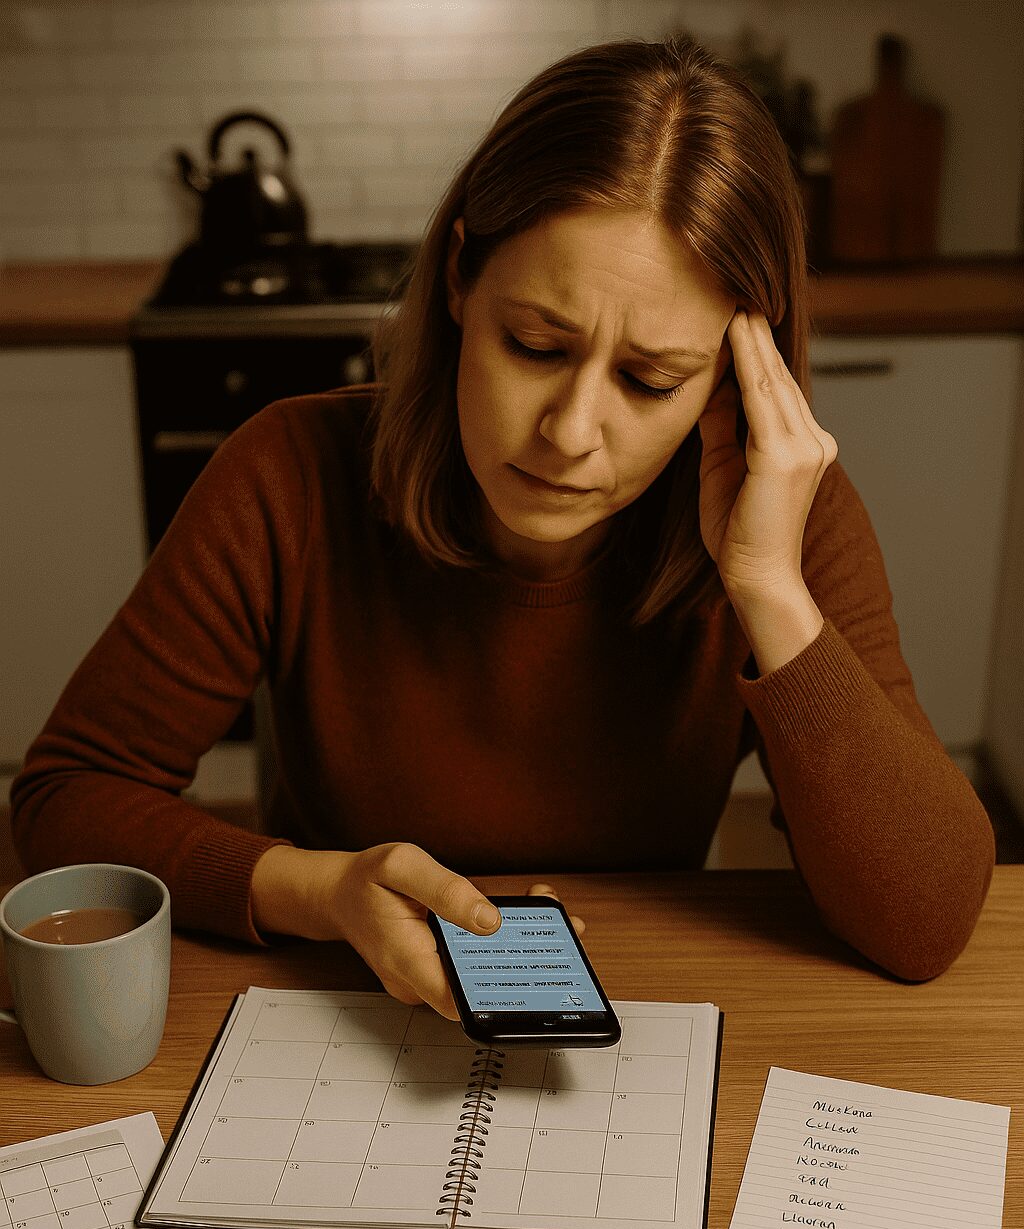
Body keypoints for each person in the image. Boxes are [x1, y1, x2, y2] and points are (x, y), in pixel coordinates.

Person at [11, 34, 994, 1016]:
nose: (569, 434)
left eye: (650, 379)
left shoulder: (782, 523)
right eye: (533, 345)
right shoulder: (285, 475)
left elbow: (926, 919)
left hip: (645, 1005)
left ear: (738, 376)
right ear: (456, 282)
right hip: (347, 1004)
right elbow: (67, 799)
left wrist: (769, 591)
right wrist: (320, 890)